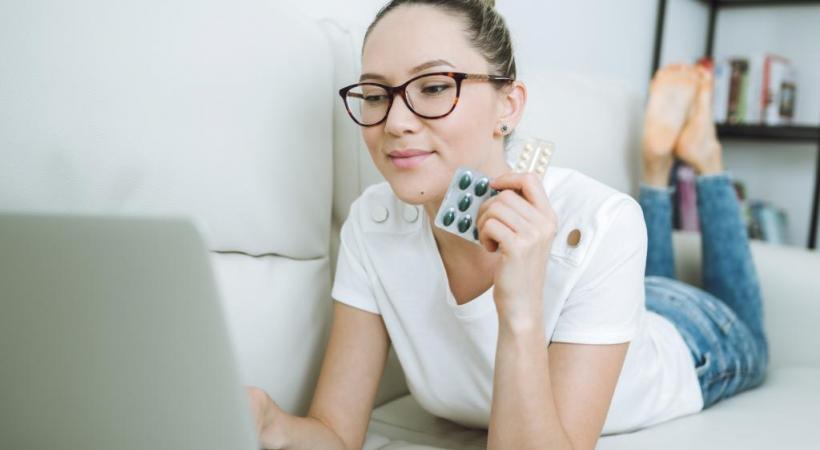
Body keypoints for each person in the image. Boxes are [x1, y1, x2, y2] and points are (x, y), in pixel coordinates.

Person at [245, 1, 769, 449]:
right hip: (613, 302)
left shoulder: (603, 219)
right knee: (641, 278)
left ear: (509, 106)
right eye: (377, 95)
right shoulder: (372, 224)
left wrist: (520, 308)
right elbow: (334, 434)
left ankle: (702, 165)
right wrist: (271, 422)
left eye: (433, 87)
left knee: (747, 328)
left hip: (694, 339)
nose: (396, 122)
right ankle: (657, 170)